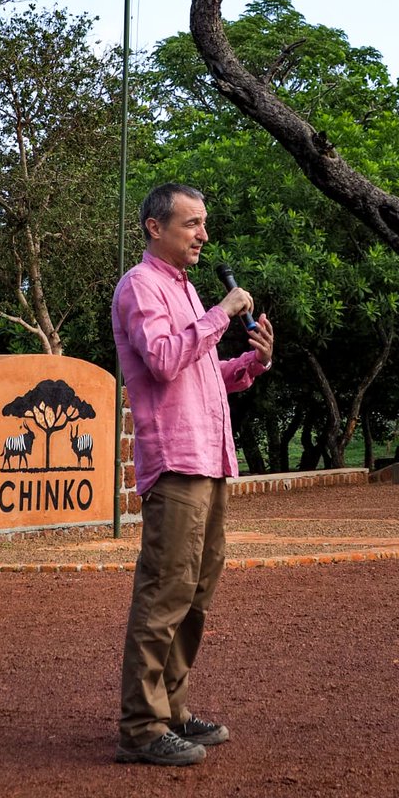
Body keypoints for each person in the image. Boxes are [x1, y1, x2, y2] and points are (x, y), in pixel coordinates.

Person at [112, 183, 274, 767]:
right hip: (176, 463)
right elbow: (161, 359)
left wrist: (250, 361)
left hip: (210, 461)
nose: (203, 234)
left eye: (204, 223)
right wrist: (222, 315)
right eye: (192, 223)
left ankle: (172, 712)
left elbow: (200, 374)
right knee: (165, 593)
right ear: (156, 227)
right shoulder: (141, 286)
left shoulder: (186, 293)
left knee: (196, 594)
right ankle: (140, 727)